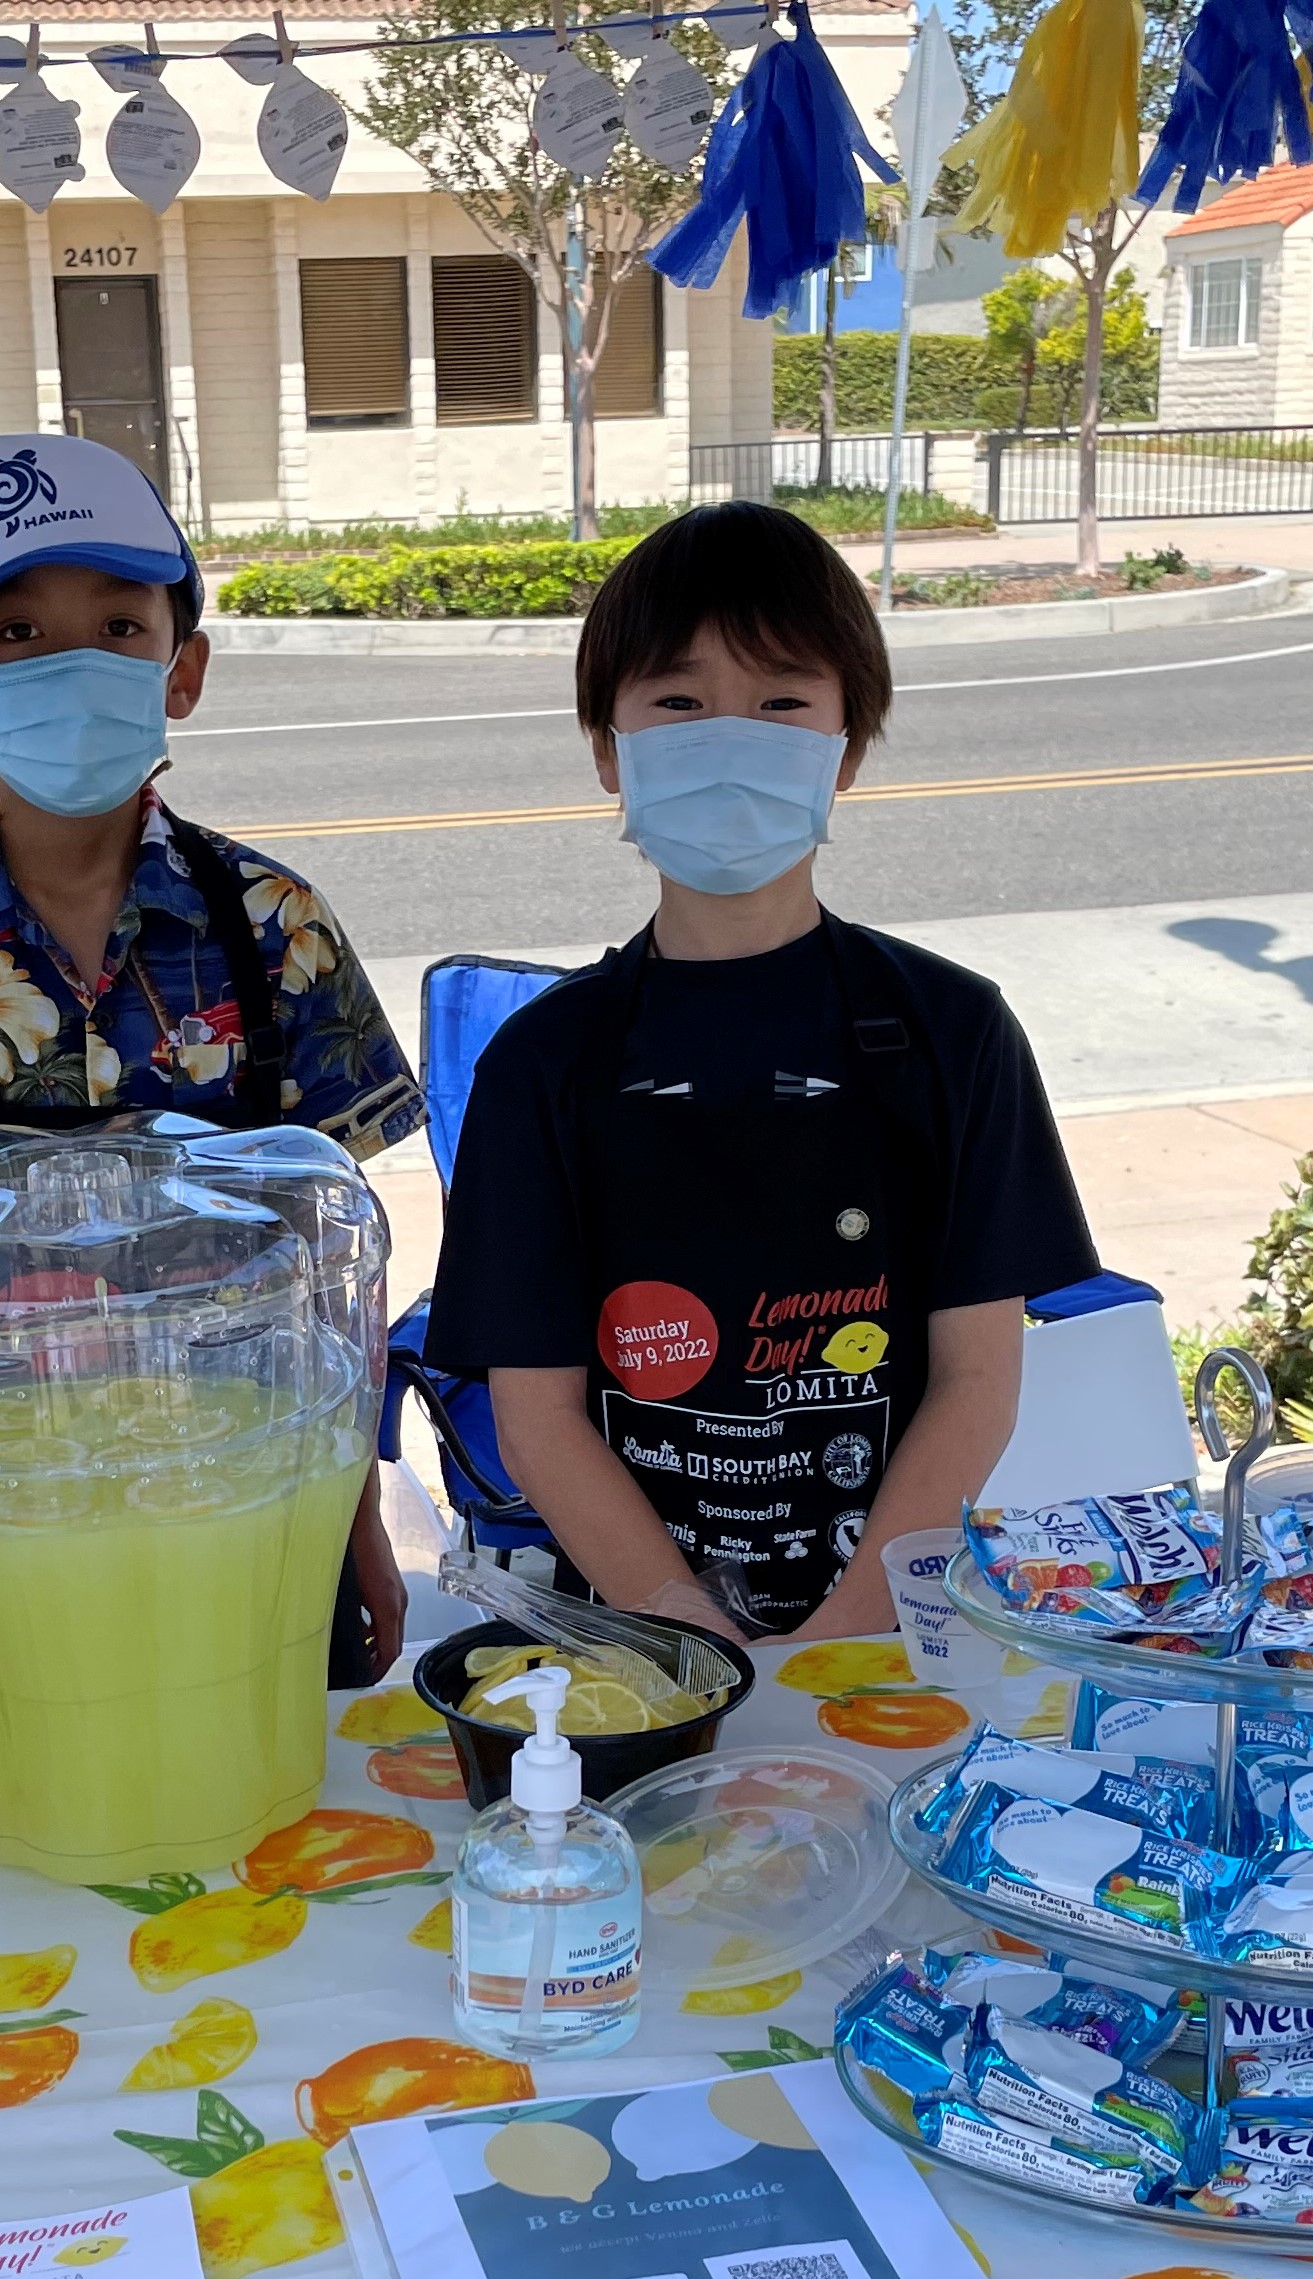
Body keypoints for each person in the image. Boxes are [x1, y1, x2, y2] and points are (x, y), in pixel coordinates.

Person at [0, 433, 427, 1680]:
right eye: (14, 635)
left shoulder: (276, 924)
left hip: (247, 1498)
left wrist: (358, 1517)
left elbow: (338, 1260)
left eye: (118, 625)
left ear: (184, 669)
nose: (71, 662)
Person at [426, 502, 1099, 1642]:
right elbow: (535, 1411)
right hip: (644, 1643)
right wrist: (680, 1623)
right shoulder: (542, 1061)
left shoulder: (953, 1030)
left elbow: (978, 1377)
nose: (729, 738)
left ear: (843, 751)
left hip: (895, 1626)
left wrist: (846, 1623)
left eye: (781, 701)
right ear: (608, 751)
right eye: (680, 702)